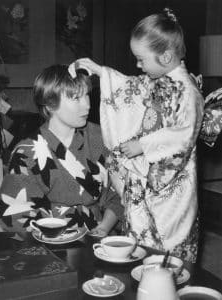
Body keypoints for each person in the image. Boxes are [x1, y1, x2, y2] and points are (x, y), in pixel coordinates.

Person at [71, 8, 204, 262]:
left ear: (165, 56)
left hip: (172, 183)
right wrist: (101, 71)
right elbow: (130, 86)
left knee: (170, 238)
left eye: (142, 59)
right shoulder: (157, 80)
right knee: (142, 238)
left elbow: (183, 135)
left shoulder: (188, 92)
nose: (138, 65)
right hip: (145, 177)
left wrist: (142, 145)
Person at [0, 64, 124, 238]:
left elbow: (119, 193)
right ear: (50, 104)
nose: (86, 105)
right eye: (75, 98)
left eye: (86, 94)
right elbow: (13, 213)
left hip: (98, 234)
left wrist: (104, 227)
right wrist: (63, 225)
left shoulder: (100, 137)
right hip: (47, 239)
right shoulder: (27, 152)